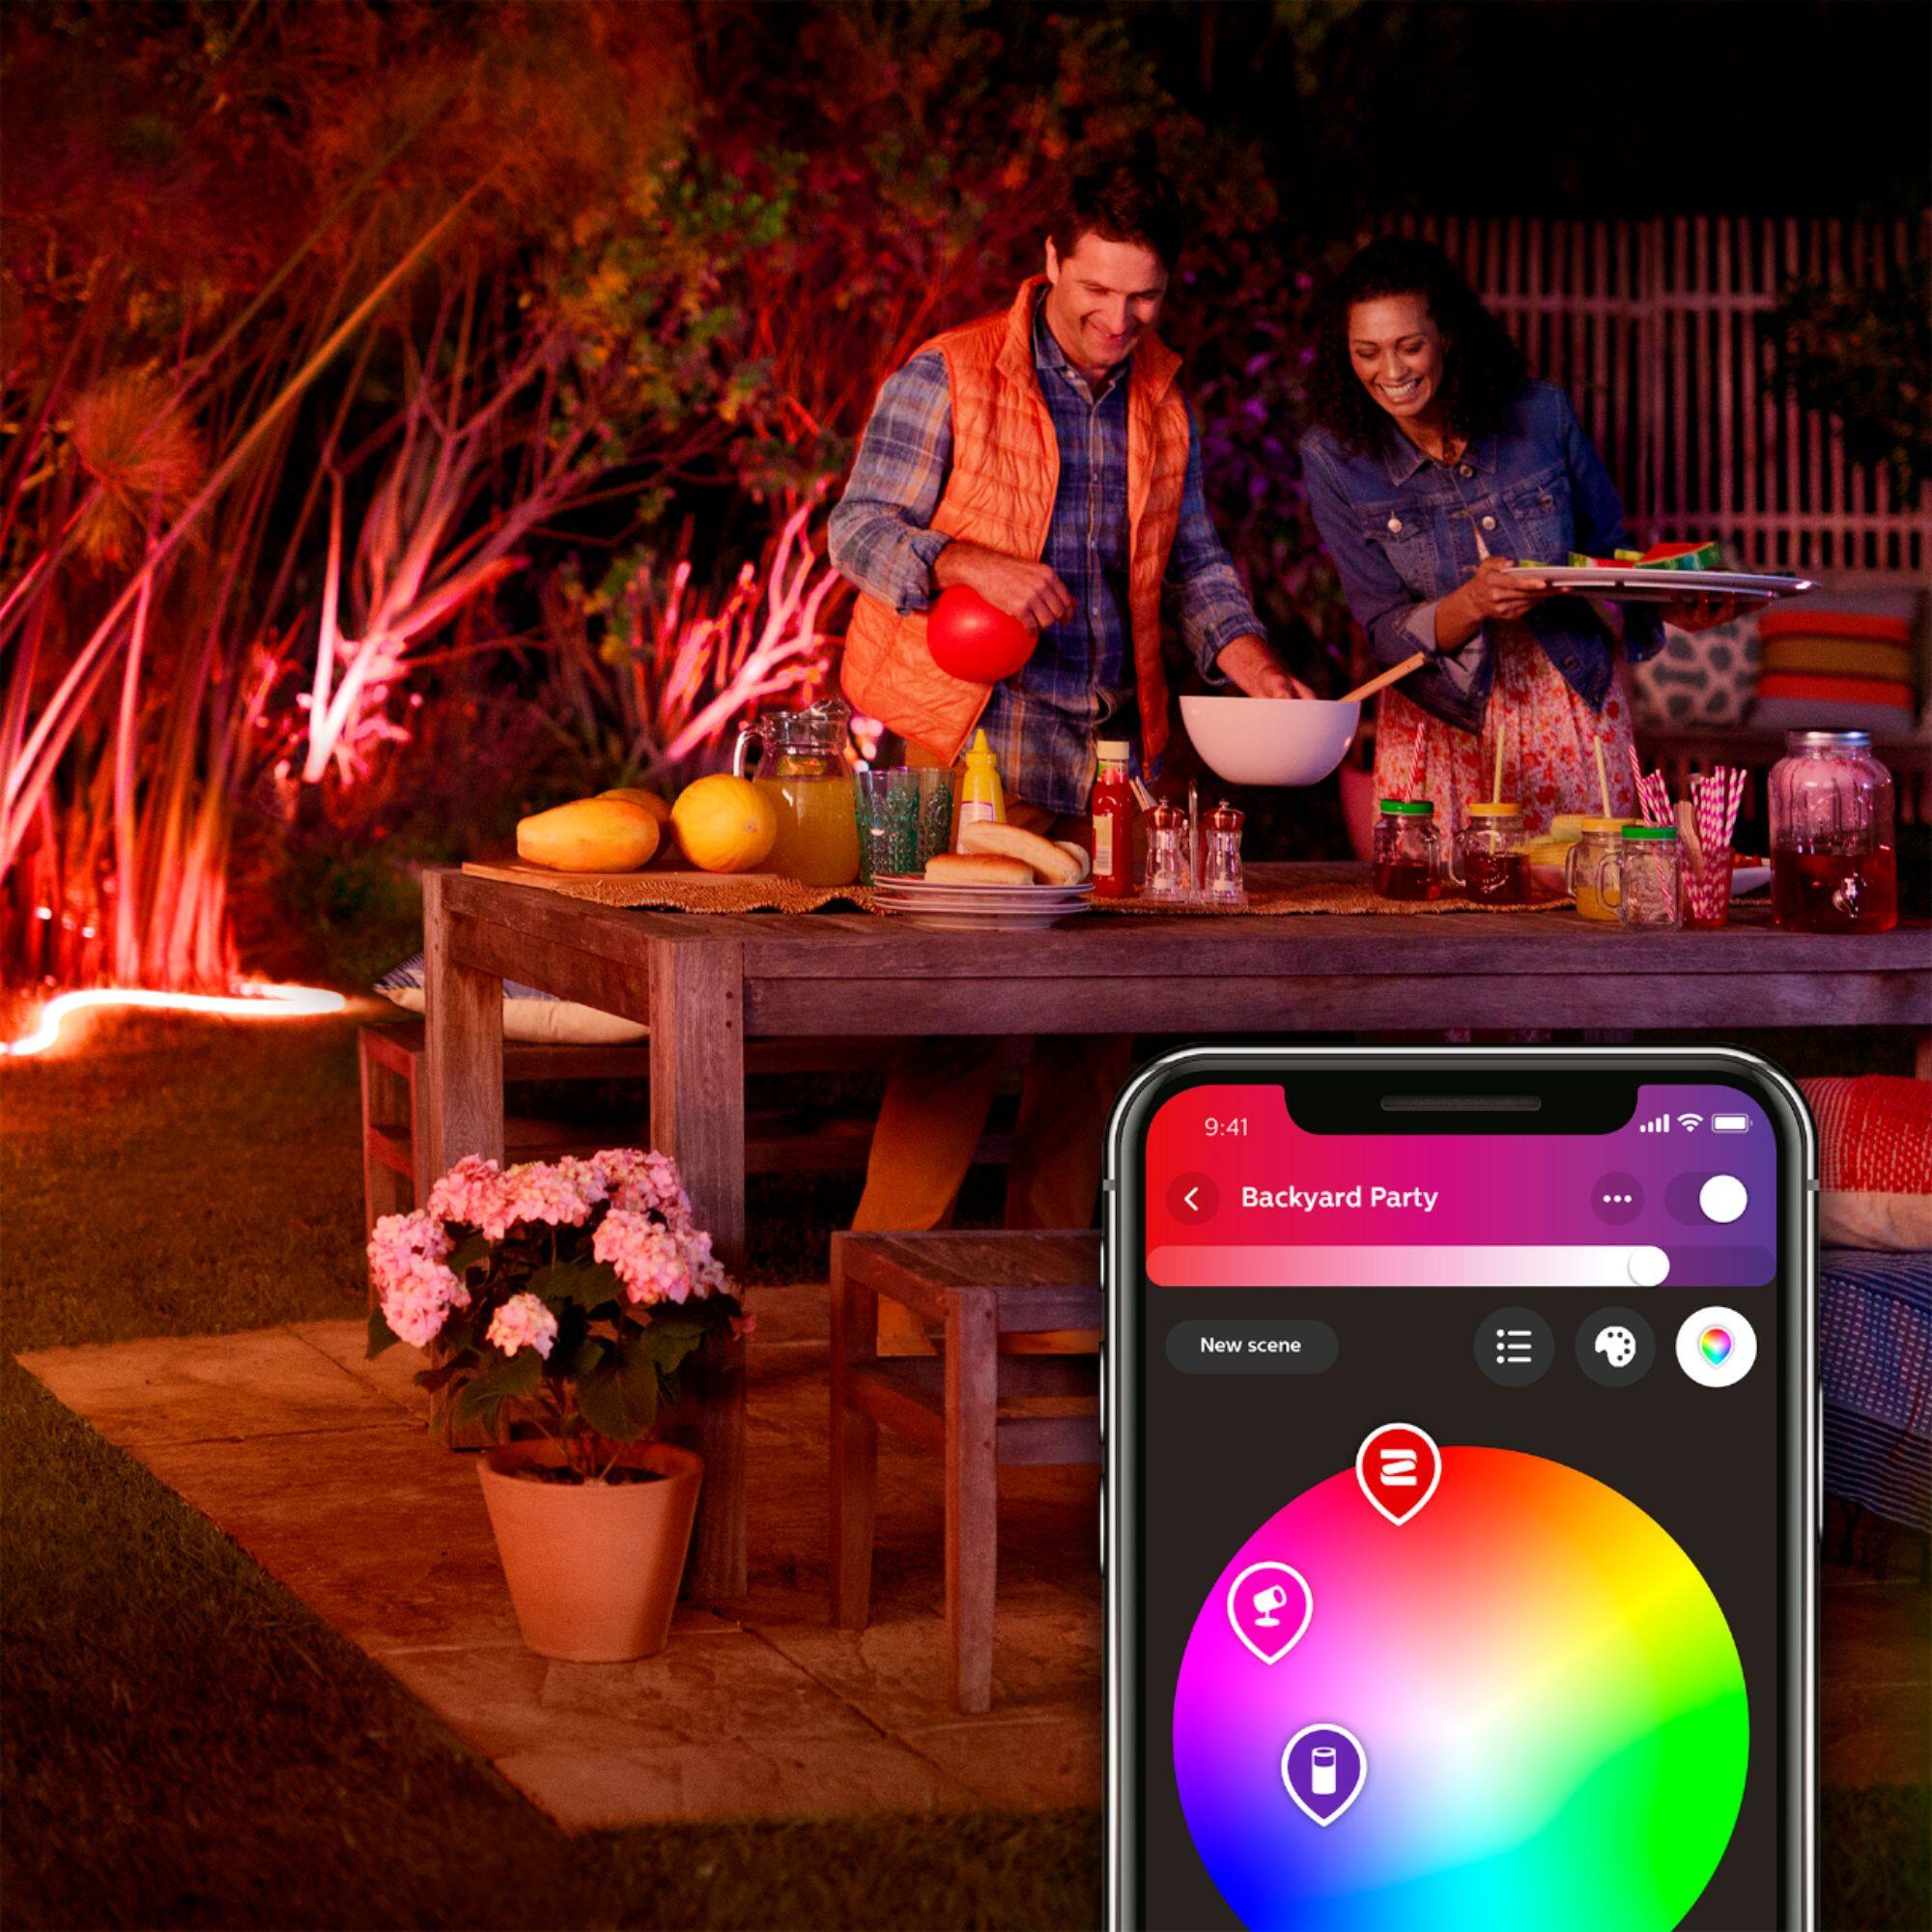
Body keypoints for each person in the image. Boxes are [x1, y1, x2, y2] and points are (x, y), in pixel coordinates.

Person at [830, 156, 1308, 1349]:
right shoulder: (946, 373)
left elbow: (1191, 563)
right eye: (1095, 289)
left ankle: (1042, 1317)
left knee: (1097, 1034)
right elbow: (856, 526)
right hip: (964, 745)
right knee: (955, 1032)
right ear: (1049, 263)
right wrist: (957, 559)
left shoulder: (1158, 396)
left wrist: (1246, 660)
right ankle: (883, 1318)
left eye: (1142, 297)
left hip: (1110, 753)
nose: (1117, 319)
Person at [1299, 237, 1727, 829]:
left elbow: (1608, 554)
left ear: (1445, 335)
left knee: (1586, 894)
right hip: (1441, 719)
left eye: (1410, 346)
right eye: (1366, 352)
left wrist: (1675, 603)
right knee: (1442, 910)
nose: (1391, 372)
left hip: (1566, 702)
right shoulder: (1335, 459)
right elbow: (1385, 632)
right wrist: (1471, 604)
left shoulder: (1541, 415)